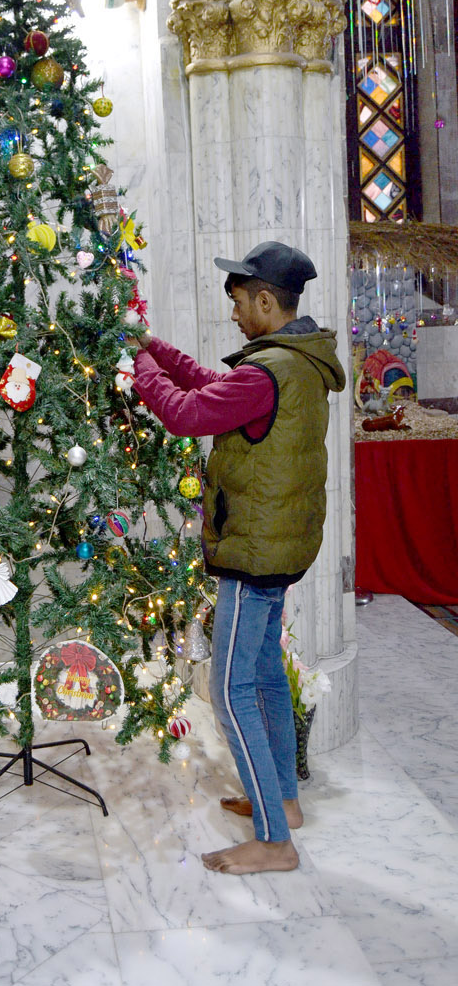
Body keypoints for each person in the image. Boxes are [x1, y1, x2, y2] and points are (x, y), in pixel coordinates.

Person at [132, 241, 345, 874]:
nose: (233, 315)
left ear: (264, 301)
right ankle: (282, 799)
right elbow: (209, 384)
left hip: (252, 557)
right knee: (266, 674)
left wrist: (138, 369)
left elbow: (185, 411)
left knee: (229, 690)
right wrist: (154, 348)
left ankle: (276, 841)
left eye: (237, 303)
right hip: (281, 548)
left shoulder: (266, 372)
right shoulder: (295, 364)